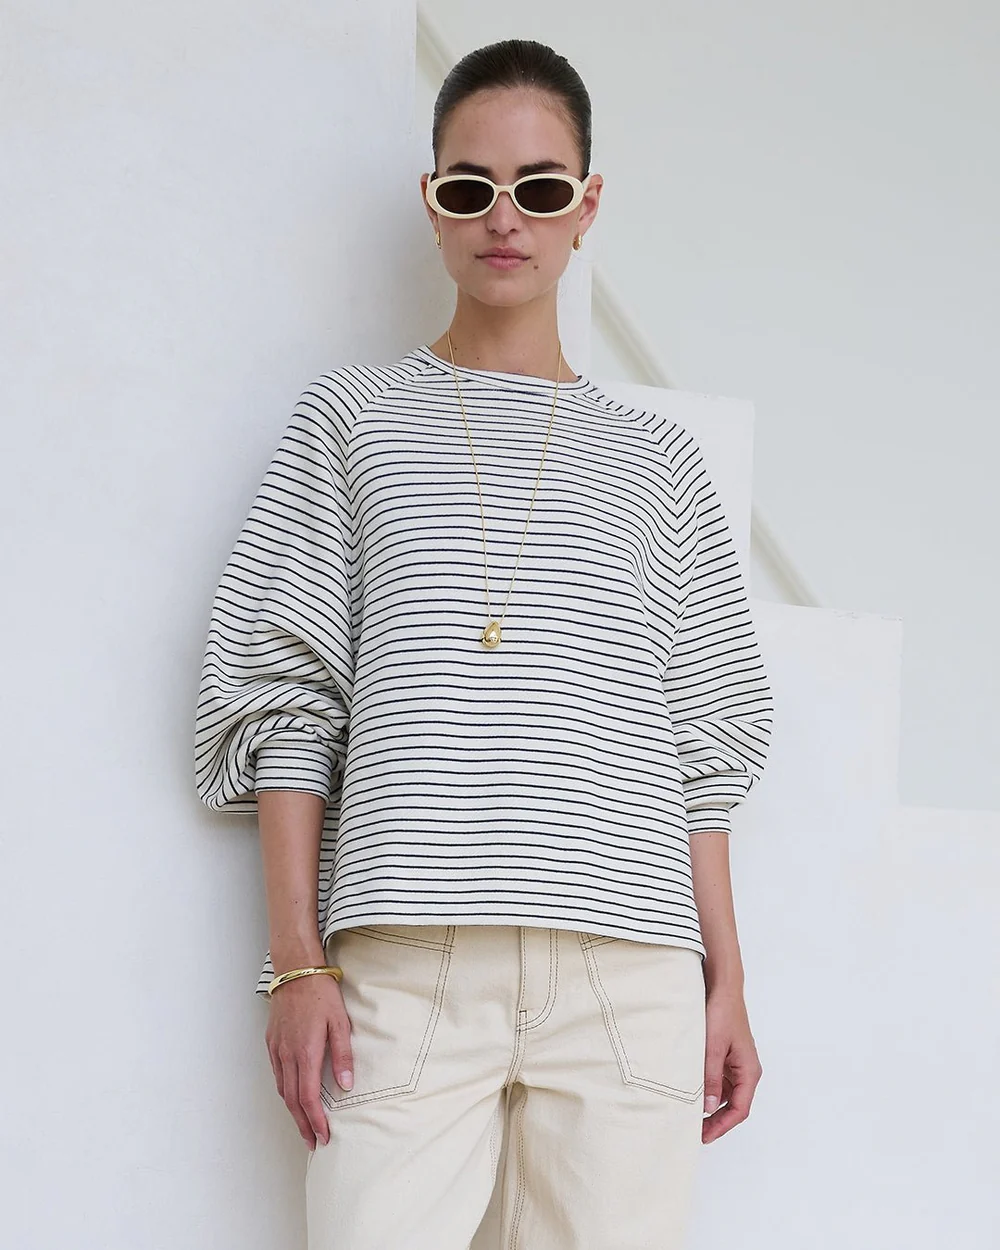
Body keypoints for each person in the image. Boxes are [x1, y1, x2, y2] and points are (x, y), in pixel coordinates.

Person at [193, 36, 775, 1250]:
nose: (504, 217)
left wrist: (727, 979)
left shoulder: (659, 464)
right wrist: (294, 961)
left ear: (586, 206)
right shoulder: (351, 420)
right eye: (470, 187)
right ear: (433, 201)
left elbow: (701, 746)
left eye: (539, 187)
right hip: (409, 961)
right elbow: (289, 696)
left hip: (628, 971)